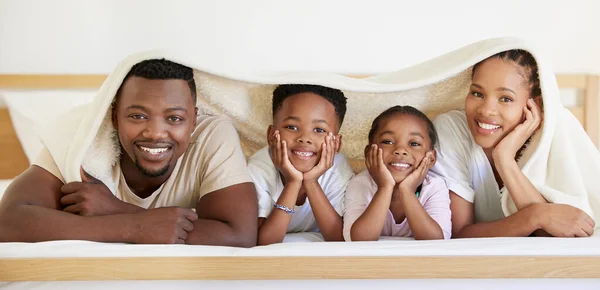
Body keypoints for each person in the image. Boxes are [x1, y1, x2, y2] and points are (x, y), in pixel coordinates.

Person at [0, 59, 258, 246]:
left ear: (193, 120)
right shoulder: (83, 136)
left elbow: (239, 234)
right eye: (137, 115)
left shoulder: (213, 135)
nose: (156, 133)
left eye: (175, 118)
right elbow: (8, 220)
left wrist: (118, 210)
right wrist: (131, 228)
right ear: (113, 116)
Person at [431, 49, 595, 238]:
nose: (486, 110)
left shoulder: (553, 136)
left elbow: (561, 233)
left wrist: (504, 160)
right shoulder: (452, 129)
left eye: (506, 99)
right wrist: (535, 216)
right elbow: (458, 232)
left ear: (536, 105)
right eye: (477, 93)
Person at [248, 84, 354, 245]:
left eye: (319, 130)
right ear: (271, 135)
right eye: (292, 127)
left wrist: (311, 182)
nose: (304, 138)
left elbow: (338, 238)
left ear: (337, 143)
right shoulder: (259, 169)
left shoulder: (337, 168)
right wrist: (293, 182)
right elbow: (265, 242)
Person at [343, 106, 451, 241]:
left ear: (431, 158)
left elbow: (437, 241)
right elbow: (357, 241)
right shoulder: (361, 184)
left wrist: (407, 191)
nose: (400, 150)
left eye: (414, 143)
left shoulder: (434, 186)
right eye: (388, 142)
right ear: (369, 152)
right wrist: (385, 187)